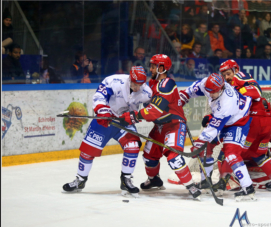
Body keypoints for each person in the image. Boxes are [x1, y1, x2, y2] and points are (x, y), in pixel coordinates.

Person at [121, 54, 201, 200]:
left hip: (174, 125)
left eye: (153, 66)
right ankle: (154, 180)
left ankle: (191, 186)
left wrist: (130, 116)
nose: (150, 68)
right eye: (150, 65)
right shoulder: (150, 84)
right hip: (159, 127)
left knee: (173, 157)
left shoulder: (167, 84)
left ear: (162, 68)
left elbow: (153, 112)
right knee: (149, 156)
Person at [62, 66, 152, 197]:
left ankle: (126, 180)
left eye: (140, 85)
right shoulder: (114, 81)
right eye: (135, 84)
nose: (137, 88)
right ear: (130, 78)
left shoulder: (147, 92)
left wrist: (142, 115)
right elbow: (99, 96)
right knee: (88, 151)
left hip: (124, 123)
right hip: (105, 121)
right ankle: (80, 180)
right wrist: (103, 111)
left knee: (132, 146)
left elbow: (151, 109)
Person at [216, 60, 271, 192]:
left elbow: (256, 91)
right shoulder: (231, 87)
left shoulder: (239, 76)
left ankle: (223, 181)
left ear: (236, 70)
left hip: (253, 122)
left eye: (228, 73)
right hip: (266, 123)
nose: (227, 77)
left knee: (230, 150)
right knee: (259, 154)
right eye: (224, 75)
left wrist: (238, 92)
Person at [178, 73, 256, 201]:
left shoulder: (227, 102)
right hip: (223, 118)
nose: (209, 94)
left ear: (221, 89)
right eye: (208, 91)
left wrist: (198, 144)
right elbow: (191, 90)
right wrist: (182, 99)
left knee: (231, 155)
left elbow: (213, 129)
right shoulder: (207, 84)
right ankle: (206, 182)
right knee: (205, 149)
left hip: (238, 121)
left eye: (212, 92)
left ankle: (248, 189)